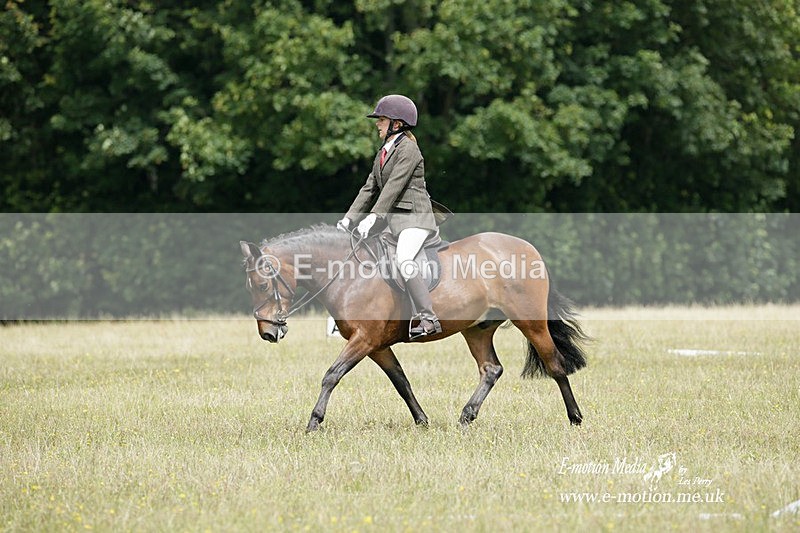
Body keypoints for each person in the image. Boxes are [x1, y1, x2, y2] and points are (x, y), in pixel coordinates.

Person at [337, 94, 442, 338]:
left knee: (404, 259)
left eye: (382, 119)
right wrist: (349, 218)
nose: (377, 123)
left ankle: (428, 317)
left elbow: (393, 186)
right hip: (395, 222)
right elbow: (369, 188)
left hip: (416, 219)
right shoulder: (384, 151)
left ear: (397, 123)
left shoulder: (409, 149)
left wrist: (373, 217)